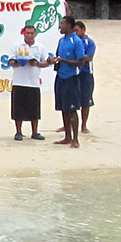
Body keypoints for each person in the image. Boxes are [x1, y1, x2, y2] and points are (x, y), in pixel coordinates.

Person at [48, 16, 85, 148]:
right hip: (60, 77)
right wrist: (55, 61)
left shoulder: (76, 41)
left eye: (62, 23)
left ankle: (75, 139)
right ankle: (67, 137)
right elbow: (59, 56)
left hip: (71, 78)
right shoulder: (61, 41)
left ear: (69, 25)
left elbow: (81, 62)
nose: (60, 26)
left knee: (72, 108)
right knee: (63, 108)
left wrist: (64, 61)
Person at [8, 25, 50, 141]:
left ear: (35, 34)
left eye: (32, 33)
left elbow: (46, 62)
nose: (30, 35)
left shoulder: (39, 47)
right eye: (27, 33)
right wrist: (18, 62)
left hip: (33, 82)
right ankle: (18, 132)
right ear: (24, 33)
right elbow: (10, 61)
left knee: (34, 109)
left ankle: (35, 132)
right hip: (19, 81)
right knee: (18, 109)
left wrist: (36, 63)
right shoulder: (17, 46)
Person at [74, 20, 97, 134]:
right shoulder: (73, 40)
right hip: (75, 73)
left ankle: (83, 125)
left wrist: (77, 58)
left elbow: (89, 57)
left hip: (86, 73)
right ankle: (68, 124)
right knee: (72, 99)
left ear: (83, 30)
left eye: (77, 30)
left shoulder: (89, 42)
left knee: (86, 100)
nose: (75, 33)